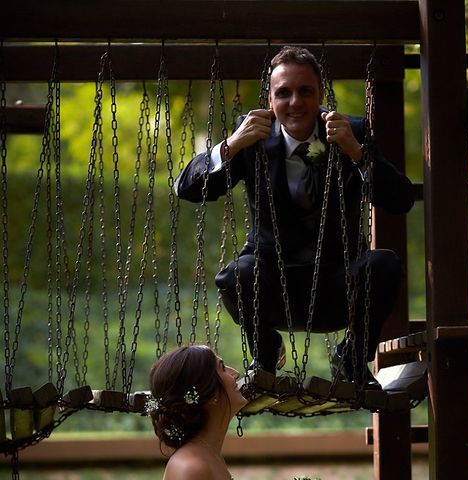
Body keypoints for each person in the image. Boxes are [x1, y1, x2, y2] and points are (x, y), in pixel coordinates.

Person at [175, 46, 414, 389]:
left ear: (320, 95)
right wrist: (231, 145)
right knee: (234, 275)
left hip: (336, 285)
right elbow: (187, 188)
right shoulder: (252, 137)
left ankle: (351, 360)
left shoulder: (351, 132)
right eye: (283, 93)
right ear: (270, 99)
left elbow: (401, 199)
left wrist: (356, 153)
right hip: (273, 287)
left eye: (305, 91)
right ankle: (267, 353)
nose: (295, 102)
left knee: (386, 265)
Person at [147, 344, 247, 480]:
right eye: (223, 368)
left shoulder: (207, 455)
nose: (235, 373)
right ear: (210, 394)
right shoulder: (191, 468)